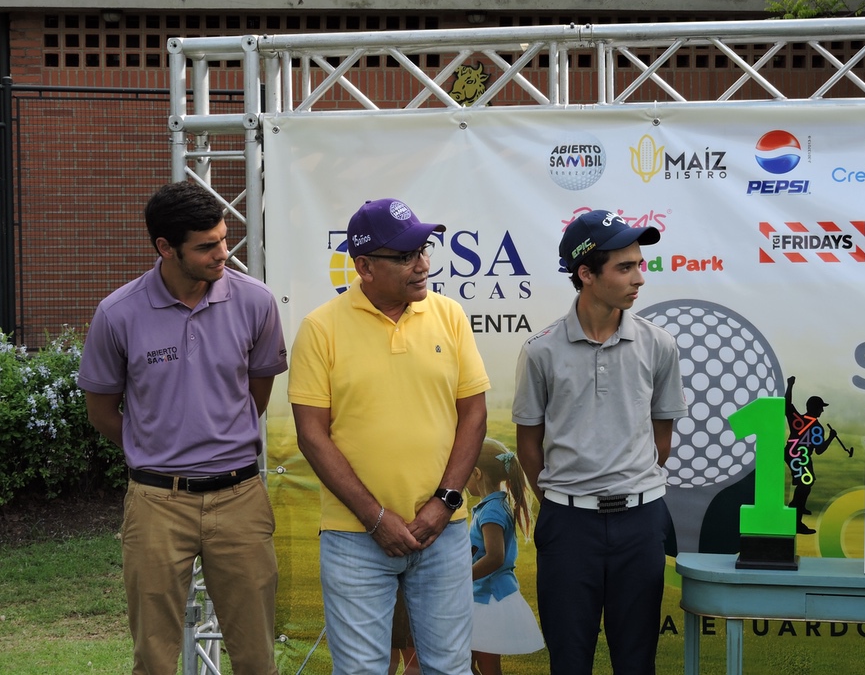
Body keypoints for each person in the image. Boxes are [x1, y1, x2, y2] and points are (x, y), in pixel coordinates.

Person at [77, 181, 287, 675]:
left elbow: (256, 394)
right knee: (153, 659)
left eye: (224, 238)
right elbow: (101, 411)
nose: (223, 253)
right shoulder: (117, 313)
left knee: (257, 657)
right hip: (155, 503)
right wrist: (156, 448)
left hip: (240, 498)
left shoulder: (256, 301)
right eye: (207, 246)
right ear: (165, 248)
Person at [288, 197, 491, 675]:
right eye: (404, 257)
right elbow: (312, 435)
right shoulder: (320, 328)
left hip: (442, 532)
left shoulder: (450, 316)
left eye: (423, 251)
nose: (422, 265)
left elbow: (474, 415)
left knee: (450, 669)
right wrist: (375, 517)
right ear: (363, 267)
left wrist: (444, 503)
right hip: (354, 537)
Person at [512, 209, 688, 675]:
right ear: (586, 274)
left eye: (639, 265)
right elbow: (528, 445)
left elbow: (661, 438)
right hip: (568, 527)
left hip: (642, 523)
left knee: (637, 662)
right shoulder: (540, 350)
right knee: (569, 662)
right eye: (625, 267)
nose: (639, 278)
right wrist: (563, 501)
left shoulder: (659, 344)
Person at [467, 438, 544, 675]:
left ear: (477, 473)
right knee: (471, 664)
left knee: (478, 665)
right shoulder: (494, 505)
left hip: (488, 598)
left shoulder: (491, 510)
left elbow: (495, 557)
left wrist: (460, 579)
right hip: (484, 596)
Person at [784, 375, 834, 535]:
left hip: (792, 453)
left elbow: (787, 405)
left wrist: (790, 385)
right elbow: (819, 450)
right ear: (815, 408)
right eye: (821, 407)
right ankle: (796, 517)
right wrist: (831, 438)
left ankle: (798, 505)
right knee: (805, 484)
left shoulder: (798, 419)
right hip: (799, 456)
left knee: (807, 482)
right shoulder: (817, 427)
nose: (822, 410)